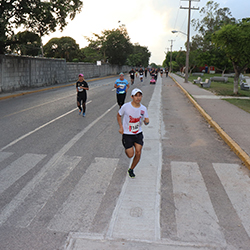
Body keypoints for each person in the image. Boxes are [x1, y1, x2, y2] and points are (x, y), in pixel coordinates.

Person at [117, 88, 149, 178]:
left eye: (140, 96)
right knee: (130, 155)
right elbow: (119, 115)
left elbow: (146, 121)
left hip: (138, 133)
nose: (138, 98)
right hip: (127, 134)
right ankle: (127, 148)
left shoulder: (143, 109)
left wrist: (146, 121)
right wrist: (121, 127)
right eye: (136, 96)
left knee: (138, 152)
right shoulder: (126, 106)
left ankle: (131, 169)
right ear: (132, 97)